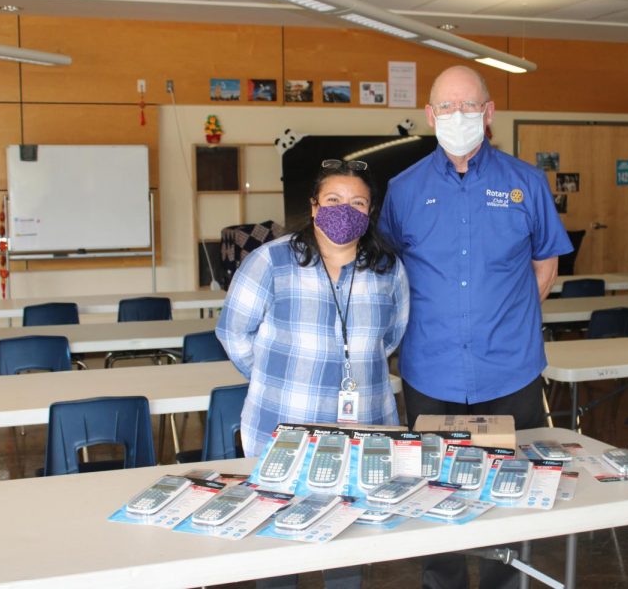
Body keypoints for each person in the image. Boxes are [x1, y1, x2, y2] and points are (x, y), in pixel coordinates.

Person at [378, 65, 573, 589]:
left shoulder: (526, 183)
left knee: (509, 490)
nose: (458, 116)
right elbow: (389, 270)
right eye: (447, 107)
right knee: (435, 489)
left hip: (509, 370)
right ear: (429, 115)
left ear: (488, 113)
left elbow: (545, 265)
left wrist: (503, 317)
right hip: (431, 371)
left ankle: (502, 582)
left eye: (469, 106)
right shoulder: (402, 190)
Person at [216, 159, 409, 589]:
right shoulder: (271, 262)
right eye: (334, 200)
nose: (346, 210)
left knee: (348, 546)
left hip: (363, 432)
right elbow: (233, 331)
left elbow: (391, 337)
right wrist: (275, 376)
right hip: (282, 431)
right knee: (277, 550)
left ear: (371, 211)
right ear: (314, 206)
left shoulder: (386, 268)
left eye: (358, 202)